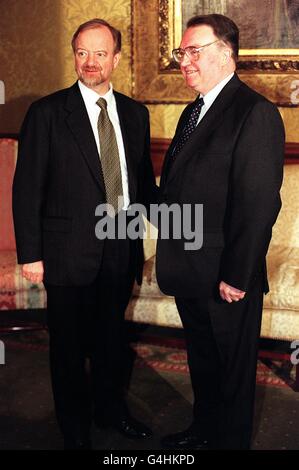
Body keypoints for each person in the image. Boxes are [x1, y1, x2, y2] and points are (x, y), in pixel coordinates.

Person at [13, 18, 156, 450]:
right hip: (66, 252)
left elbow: (143, 186)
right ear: (75, 56)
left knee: (112, 340)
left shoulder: (135, 114)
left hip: (120, 246)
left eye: (99, 53)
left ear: (116, 58)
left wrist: (182, 228)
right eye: (82, 53)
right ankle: (74, 427)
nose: (90, 62)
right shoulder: (48, 113)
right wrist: (31, 254)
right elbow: (27, 187)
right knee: (69, 349)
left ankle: (112, 412)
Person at [156, 14, 285, 450]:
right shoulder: (194, 111)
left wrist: (236, 274)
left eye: (195, 51)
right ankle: (203, 431)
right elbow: (179, 188)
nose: (184, 61)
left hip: (226, 277)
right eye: (181, 52)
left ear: (226, 54)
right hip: (191, 269)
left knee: (232, 374)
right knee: (204, 365)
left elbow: (259, 204)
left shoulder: (255, 113)